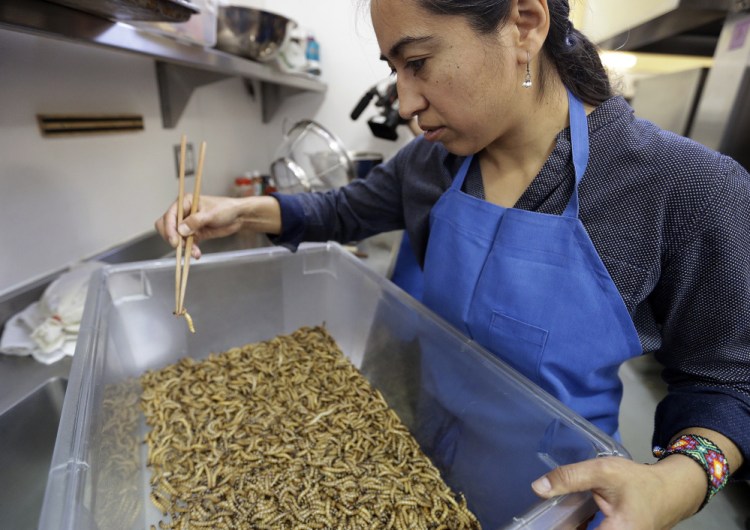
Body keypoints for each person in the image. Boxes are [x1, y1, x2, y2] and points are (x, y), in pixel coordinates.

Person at [156, 0, 750, 527]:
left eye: (418, 62)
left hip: (551, 499)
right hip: (400, 461)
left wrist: (677, 482)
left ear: (525, 23)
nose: (407, 102)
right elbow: (341, 210)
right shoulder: (430, 163)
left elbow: (727, 383)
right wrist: (240, 212)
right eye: (395, 70)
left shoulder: (687, 188)